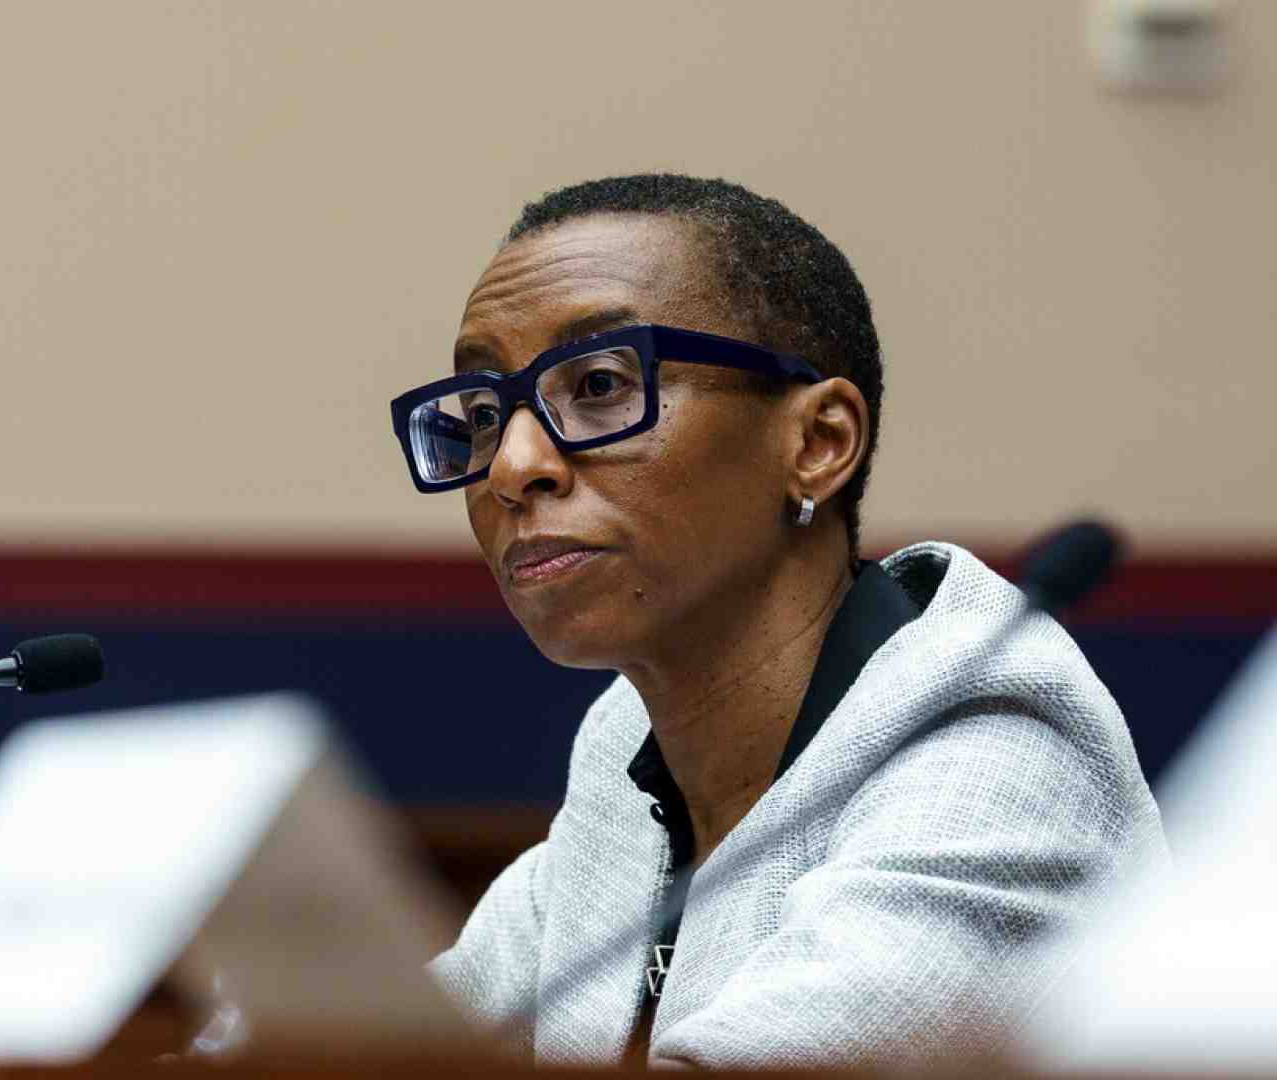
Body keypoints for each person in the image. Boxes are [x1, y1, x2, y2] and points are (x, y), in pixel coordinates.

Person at [392, 175, 1167, 1068]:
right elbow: (398, 1048)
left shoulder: (996, 750)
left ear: (818, 442)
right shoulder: (626, 749)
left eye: (600, 384)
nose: (510, 466)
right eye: (483, 415)